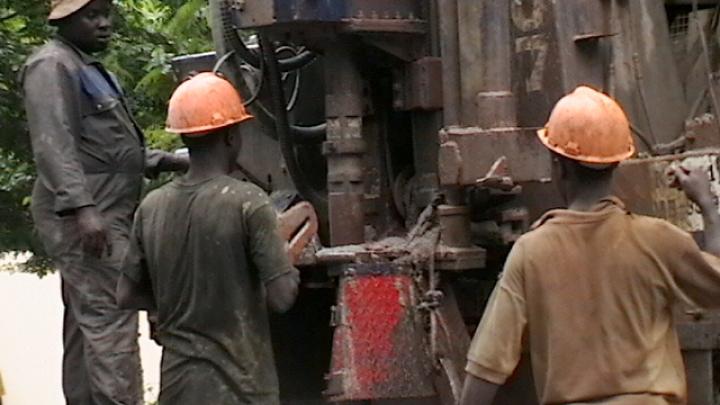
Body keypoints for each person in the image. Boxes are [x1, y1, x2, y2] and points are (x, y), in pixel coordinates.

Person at [459, 86, 720, 405]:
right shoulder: (658, 240)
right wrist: (707, 204)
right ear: (617, 163)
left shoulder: (531, 252)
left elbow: (486, 369)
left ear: (559, 166)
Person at [21, 0, 187, 403]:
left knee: (85, 323)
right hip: (89, 216)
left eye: (106, 13)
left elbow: (105, 147)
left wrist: (165, 160)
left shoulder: (85, 67)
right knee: (111, 318)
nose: (104, 24)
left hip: (102, 208)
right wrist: (83, 209)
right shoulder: (52, 66)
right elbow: (53, 144)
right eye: (90, 16)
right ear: (63, 20)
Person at [117, 72, 300, 405]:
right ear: (231, 137)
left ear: (184, 137)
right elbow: (282, 298)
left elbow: (127, 294)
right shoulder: (248, 201)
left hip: (177, 390)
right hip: (241, 391)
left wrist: (178, 301)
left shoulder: (151, 207)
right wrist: (286, 265)